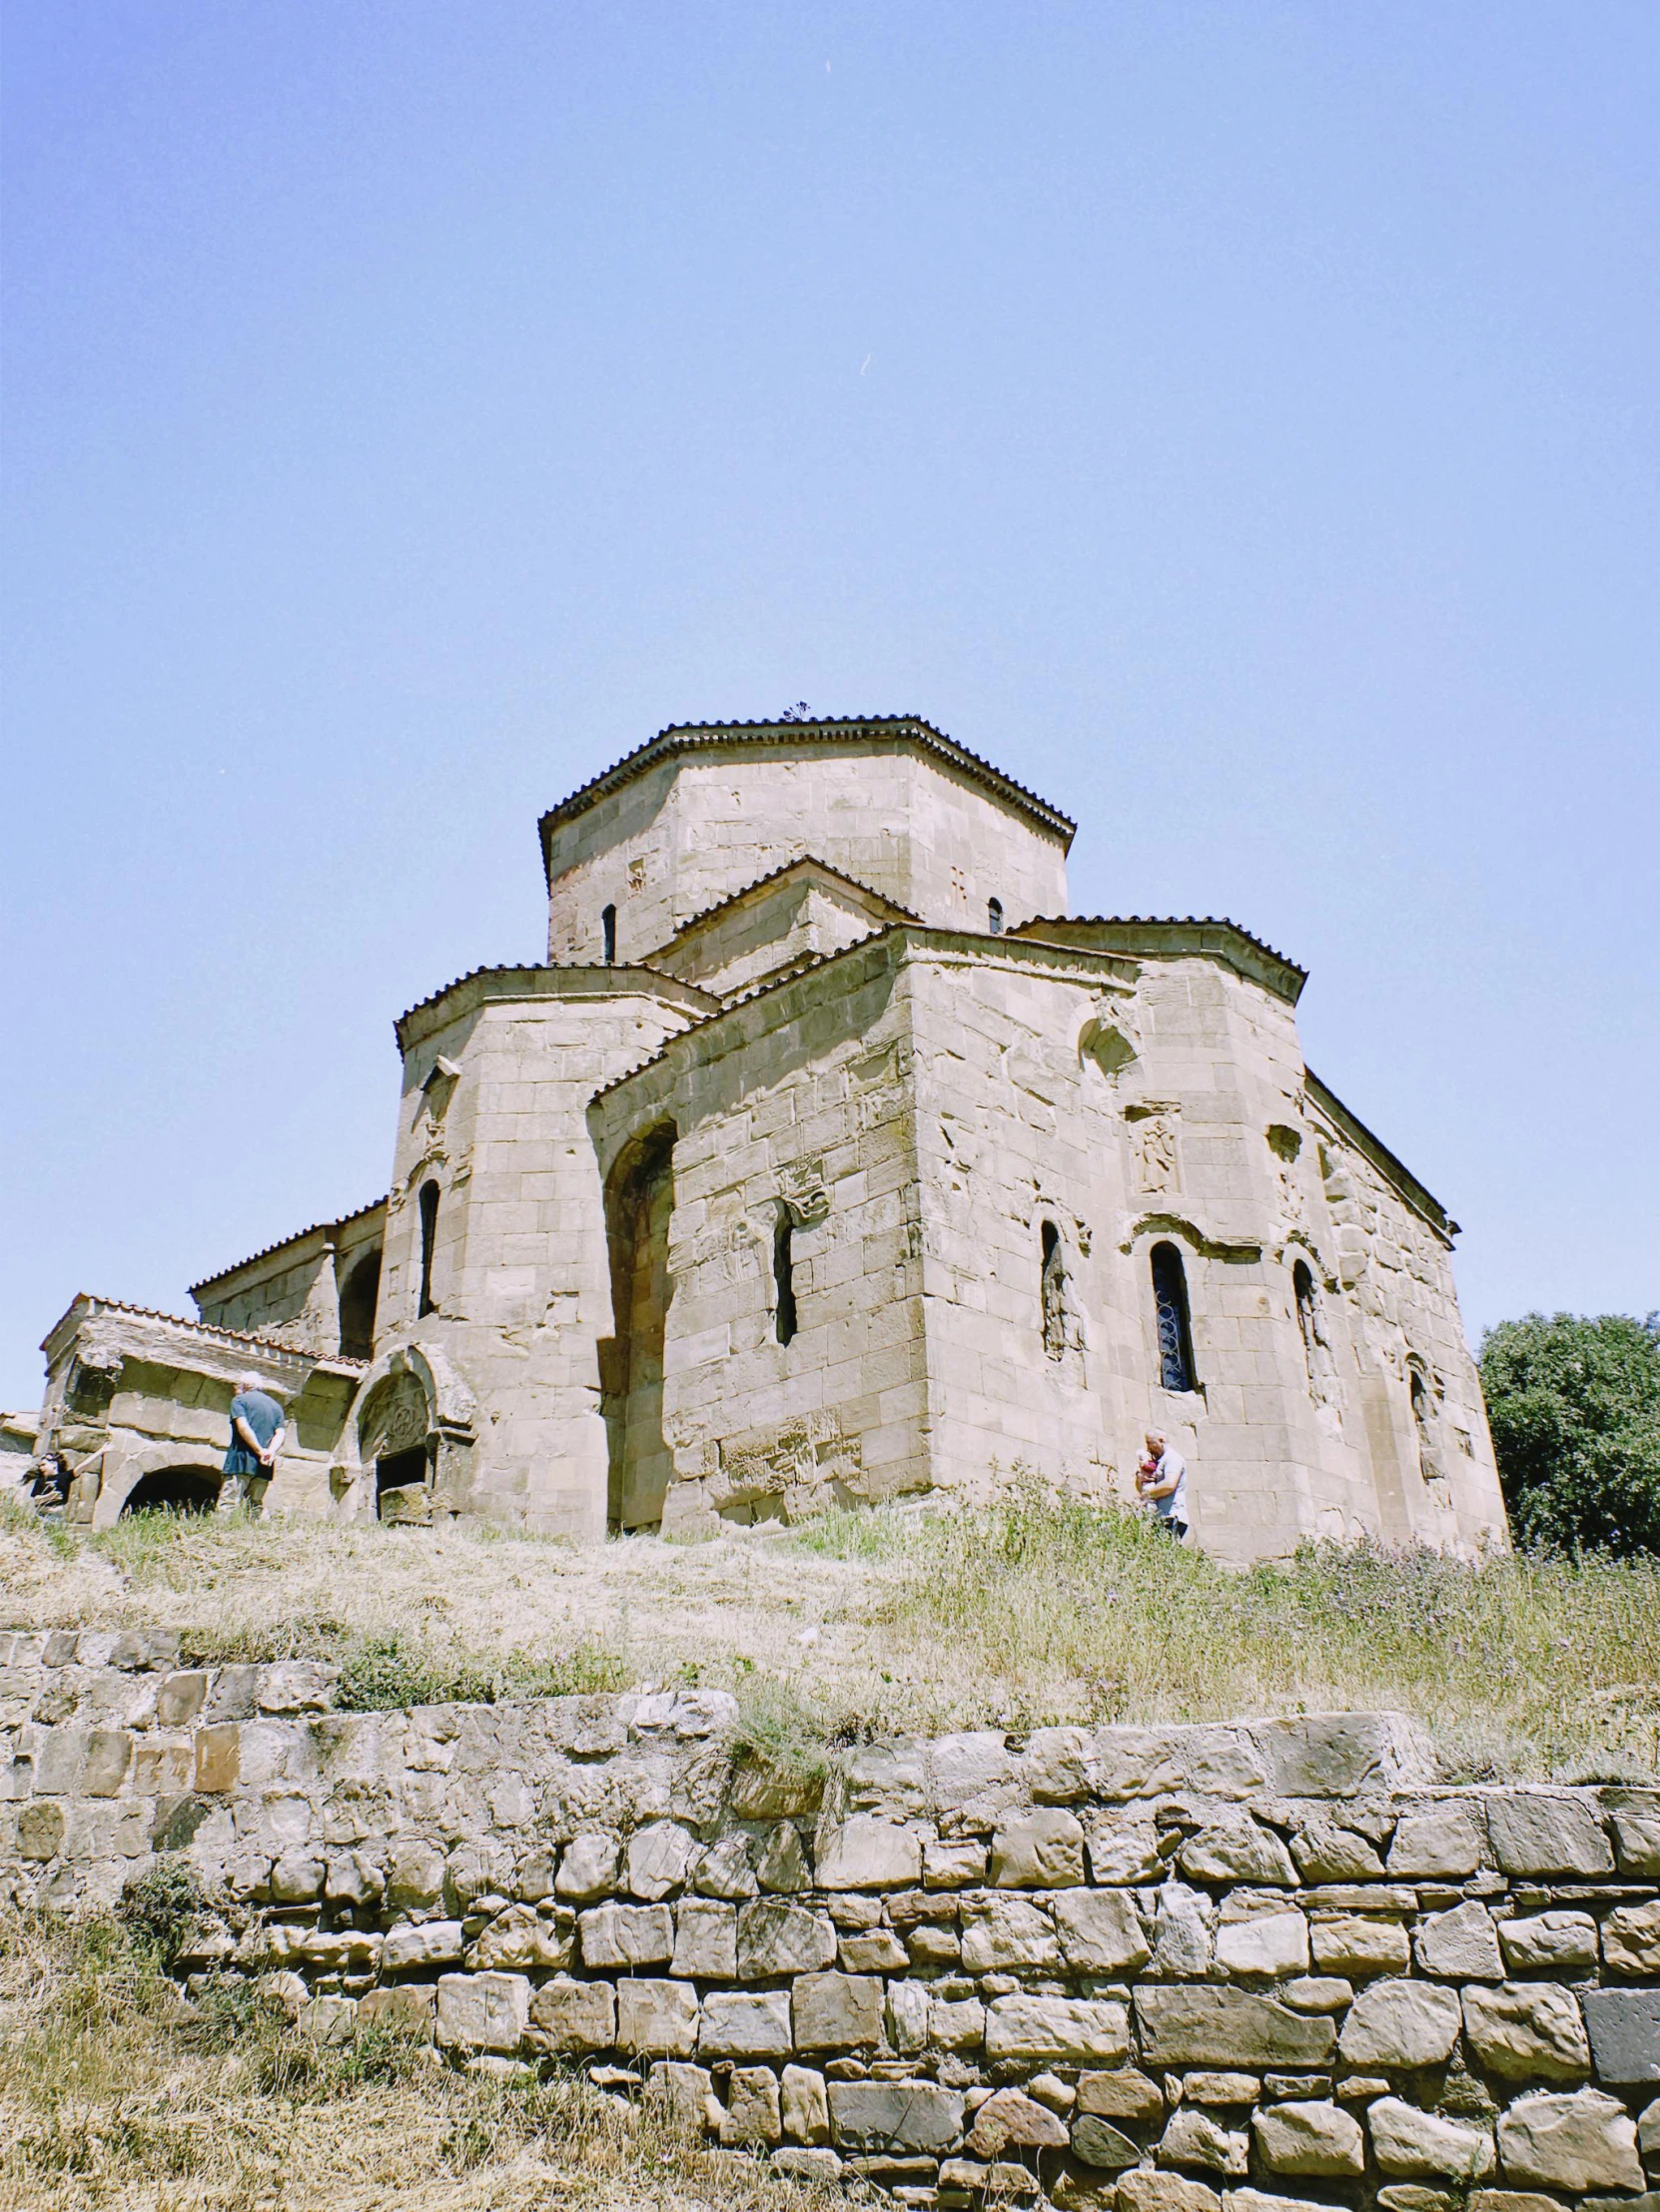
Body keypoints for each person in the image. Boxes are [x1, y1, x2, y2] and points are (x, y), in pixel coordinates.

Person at [224, 1373, 285, 1513]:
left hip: (241, 1460)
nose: (235, 1389)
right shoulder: (275, 1406)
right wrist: (270, 1452)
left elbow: (243, 1427)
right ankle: (254, 1531)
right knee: (254, 1505)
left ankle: (222, 1532)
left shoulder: (239, 1401)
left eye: (236, 1386)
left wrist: (259, 1450)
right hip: (265, 1464)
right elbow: (280, 1433)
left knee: (229, 1503)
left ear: (244, 1386)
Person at [1136, 1429, 1189, 1542]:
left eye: (1150, 1443)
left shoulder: (1172, 1458)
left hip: (1172, 1515)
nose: (1148, 1447)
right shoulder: (1158, 1461)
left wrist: (1147, 1494)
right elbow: (1142, 1489)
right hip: (1160, 1517)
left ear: (1161, 1440)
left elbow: (1169, 1484)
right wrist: (1140, 1479)